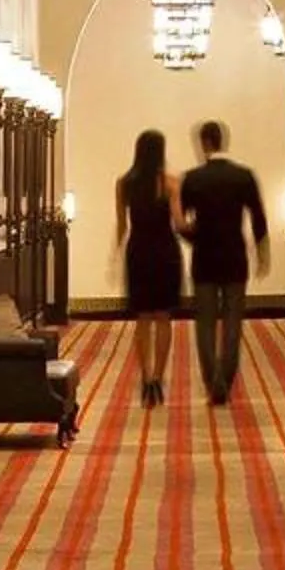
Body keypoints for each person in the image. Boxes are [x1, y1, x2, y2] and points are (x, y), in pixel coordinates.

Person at [175, 118, 269, 406]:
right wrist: (262, 253)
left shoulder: (192, 178)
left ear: (204, 143)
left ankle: (211, 379)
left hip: (204, 259)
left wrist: (195, 239)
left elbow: (183, 224)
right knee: (232, 323)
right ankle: (224, 381)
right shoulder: (243, 176)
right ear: (222, 141)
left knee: (204, 323)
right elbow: (258, 216)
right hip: (234, 258)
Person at [115, 128, 183, 408]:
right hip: (165, 251)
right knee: (163, 317)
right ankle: (157, 377)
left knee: (142, 318)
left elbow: (121, 226)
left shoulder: (124, 183)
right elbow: (179, 223)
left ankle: (144, 376)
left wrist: (116, 256)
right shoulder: (169, 183)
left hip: (139, 250)